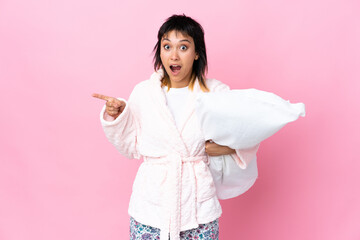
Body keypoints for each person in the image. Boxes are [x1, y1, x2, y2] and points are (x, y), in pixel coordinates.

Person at [93, 14, 259, 240]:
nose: (174, 55)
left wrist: (225, 148)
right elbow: (129, 146)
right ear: (159, 51)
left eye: (183, 46)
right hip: (150, 207)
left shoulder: (216, 93)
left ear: (197, 52)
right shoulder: (145, 93)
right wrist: (118, 115)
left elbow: (247, 131)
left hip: (198, 209)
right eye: (167, 46)